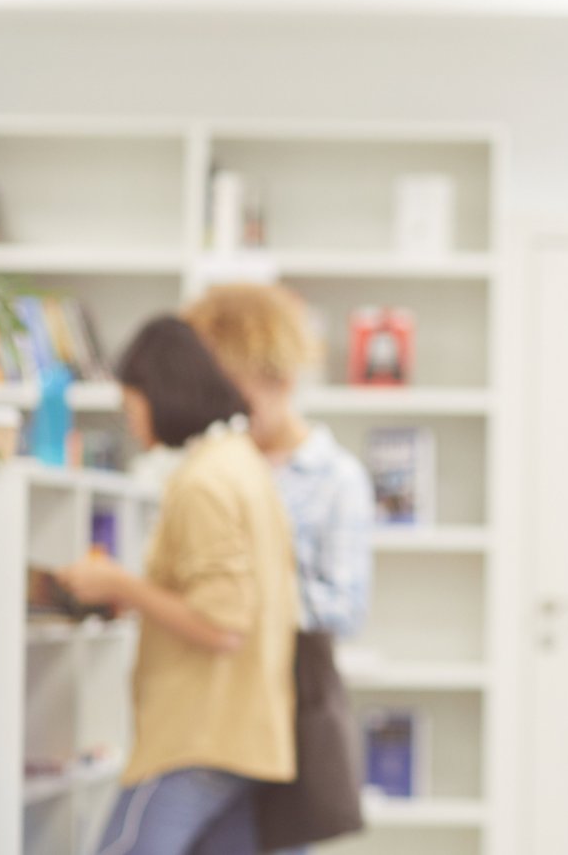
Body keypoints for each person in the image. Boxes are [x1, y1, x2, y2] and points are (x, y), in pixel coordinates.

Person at [60, 316, 298, 855]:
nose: (130, 422)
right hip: (248, 735)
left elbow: (222, 625)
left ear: (158, 394)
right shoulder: (243, 465)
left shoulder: (202, 481)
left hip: (198, 737)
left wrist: (121, 584)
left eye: (131, 405)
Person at [182, 284, 374, 640]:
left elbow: (345, 611)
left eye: (237, 393)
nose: (222, 409)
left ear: (282, 380)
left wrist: (239, 595)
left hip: (296, 668)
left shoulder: (336, 477)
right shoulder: (203, 466)